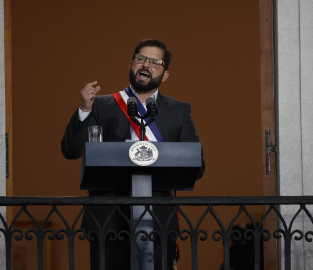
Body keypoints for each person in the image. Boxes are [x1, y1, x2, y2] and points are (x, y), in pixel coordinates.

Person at [61, 39, 205, 270]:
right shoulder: (101, 105)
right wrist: (85, 110)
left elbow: (197, 165)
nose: (145, 65)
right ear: (131, 64)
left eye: (154, 62)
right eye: (141, 59)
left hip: (158, 220)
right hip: (108, 219)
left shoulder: (180, 110)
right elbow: (71, 151)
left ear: (165, 74)